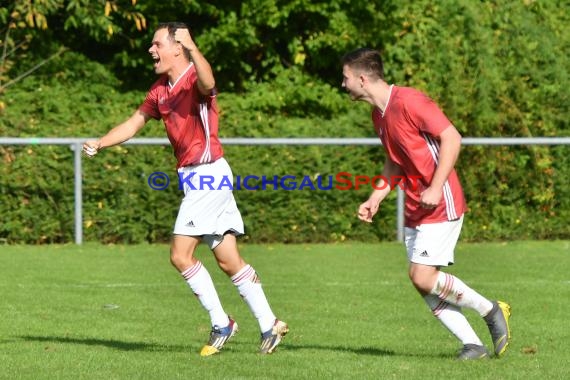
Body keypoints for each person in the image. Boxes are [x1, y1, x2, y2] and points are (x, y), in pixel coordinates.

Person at [83, 22, 288, 356]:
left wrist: (194, 47)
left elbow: (210, 82)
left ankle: (223, 323)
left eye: (157, 44)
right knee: (228, 260)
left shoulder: (194, 77)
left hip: (208, 175)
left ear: (178, 46)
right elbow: (135, 122)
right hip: (199, 179)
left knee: (180, 255)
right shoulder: (159, 89)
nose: (151, 50)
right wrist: (101, 142)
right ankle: (270, 324)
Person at [341, 47, 511, 360]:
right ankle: (473, 345)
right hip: (415, 207)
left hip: (440, 201)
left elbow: (452, 137)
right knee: (423, 283)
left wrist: (435, 186)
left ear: (362, 79)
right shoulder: (378, 114)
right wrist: (375, 197)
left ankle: (490, 310)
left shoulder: (409, 100)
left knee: (422, 275)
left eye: (346, 78)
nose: (343, 84)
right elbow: (395, 163)